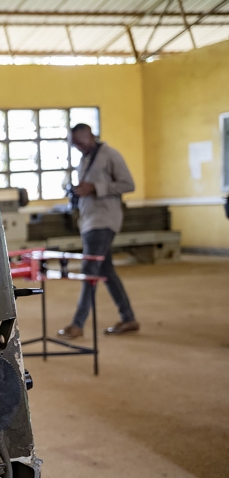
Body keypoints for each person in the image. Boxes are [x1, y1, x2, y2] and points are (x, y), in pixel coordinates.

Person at [58, 123, 139, 338]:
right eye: (74, 145)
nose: (78, 147)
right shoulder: (84, 159)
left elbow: (128, 184)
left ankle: (77, 324)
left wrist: (95, 188)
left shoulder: (110, 155)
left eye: (81, 143)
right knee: (106, 271)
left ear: (91, 136)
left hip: (103, 221)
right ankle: (128, 318)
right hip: (89, 220)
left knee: (89, 270)